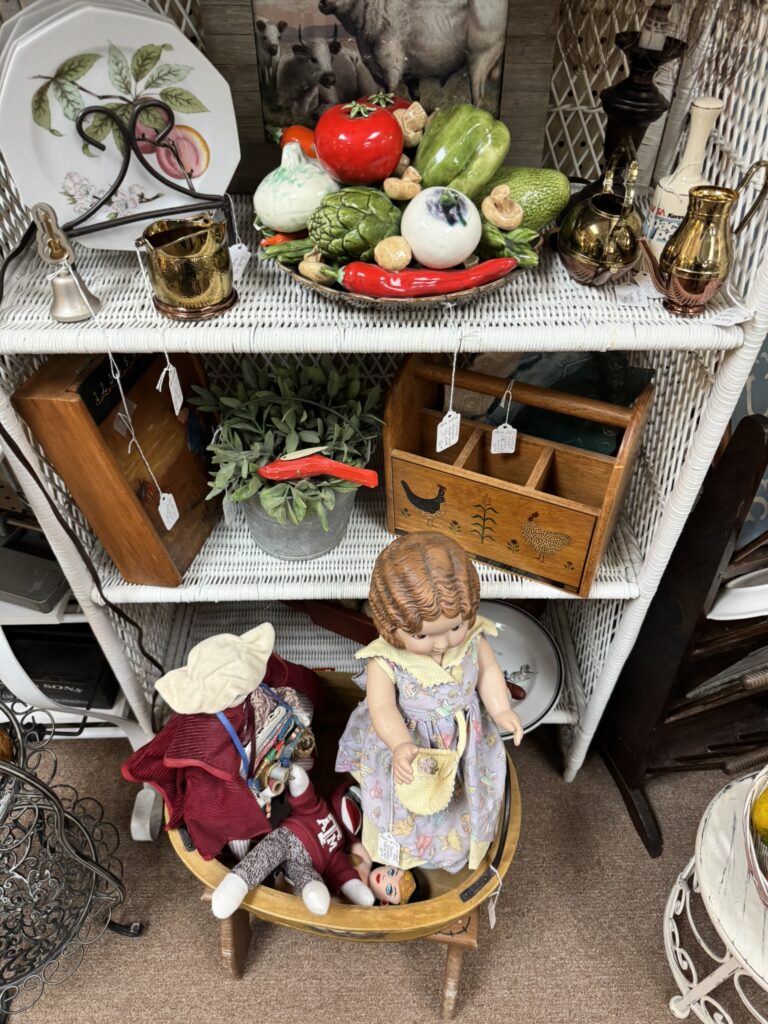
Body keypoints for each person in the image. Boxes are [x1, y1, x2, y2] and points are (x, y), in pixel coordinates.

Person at [336, 532, 523, 873]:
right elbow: (382, 707)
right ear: (391, 626)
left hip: (464, 740)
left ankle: (455, 845)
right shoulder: (386, 659)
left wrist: (500, 708)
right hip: (411, 741)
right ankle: (402, 852)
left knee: (463, 796)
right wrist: (399, 743)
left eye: (454, 627)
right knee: (406, 801)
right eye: (422, 635)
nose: (441, 643)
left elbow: (488, 671)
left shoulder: (473, 640)